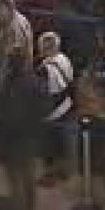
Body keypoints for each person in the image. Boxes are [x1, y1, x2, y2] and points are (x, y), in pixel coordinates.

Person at [0, 36, 43, 210]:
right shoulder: (35, 82)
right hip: (29, 136)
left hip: (11, 138)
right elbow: (42, 107)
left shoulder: (5, 85)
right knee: (28, 176)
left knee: (14, 179)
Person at [35, 31, 74, 183]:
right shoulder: (65, 59)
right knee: (63, 143)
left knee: (49, 146)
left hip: (52, 111)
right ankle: (64, 171)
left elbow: (44, 93)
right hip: (67, 106)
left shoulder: (44, 69)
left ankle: (50, 175)